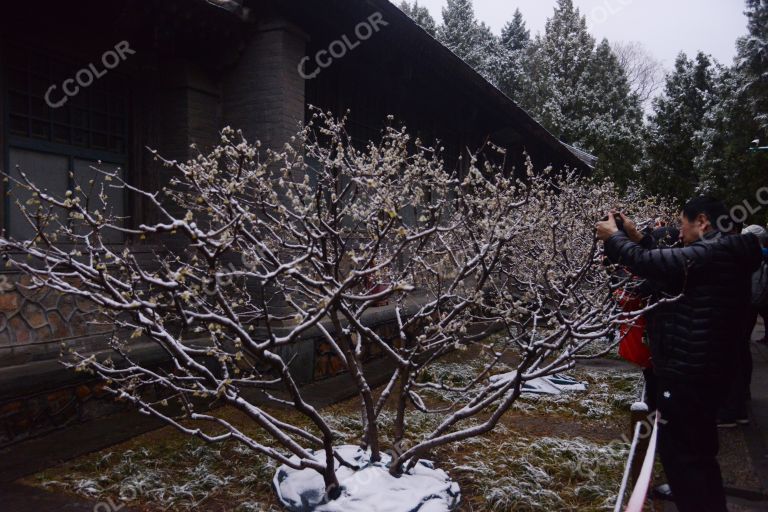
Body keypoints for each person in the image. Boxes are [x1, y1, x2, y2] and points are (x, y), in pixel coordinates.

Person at [596, 197, 762, 512]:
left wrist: (615, 239)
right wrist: (638, 238)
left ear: (703, 221)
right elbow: (672, 264)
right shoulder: (724, 253)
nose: (680, 232)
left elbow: (655, 264)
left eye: (683, 223)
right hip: (706, 370)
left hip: (690, 374)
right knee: (698, 456)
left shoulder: (716, 252)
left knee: (685, 460)